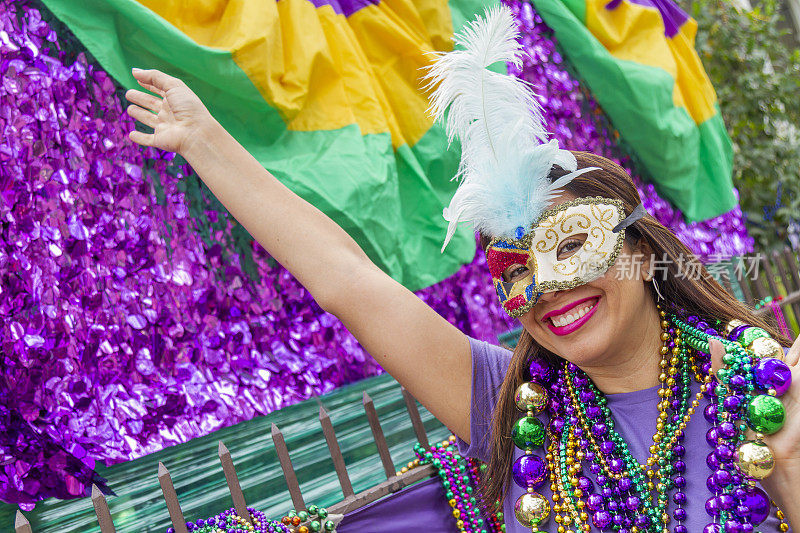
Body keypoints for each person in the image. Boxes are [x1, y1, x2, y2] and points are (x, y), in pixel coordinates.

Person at [123, 11, 799, 530]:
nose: (546, 287)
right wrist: (205, 142)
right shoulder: (512, 411)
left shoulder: (770, 393)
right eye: (513, 269)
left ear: (641, 252)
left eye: (568, 246)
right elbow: (347, 278)